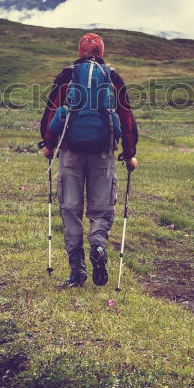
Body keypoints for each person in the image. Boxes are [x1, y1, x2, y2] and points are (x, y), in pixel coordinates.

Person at [39, 33, 138, 288]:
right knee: (102, 208)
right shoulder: (113, 79)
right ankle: (99, 245)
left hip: (70, 152)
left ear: (79, 51)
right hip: (104, 153)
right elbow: (126, 119)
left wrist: (48, 145)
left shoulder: (67, 77)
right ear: (102, 52)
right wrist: (129, 154)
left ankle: (77, 272)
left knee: (70, 209)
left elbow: (51, 112)